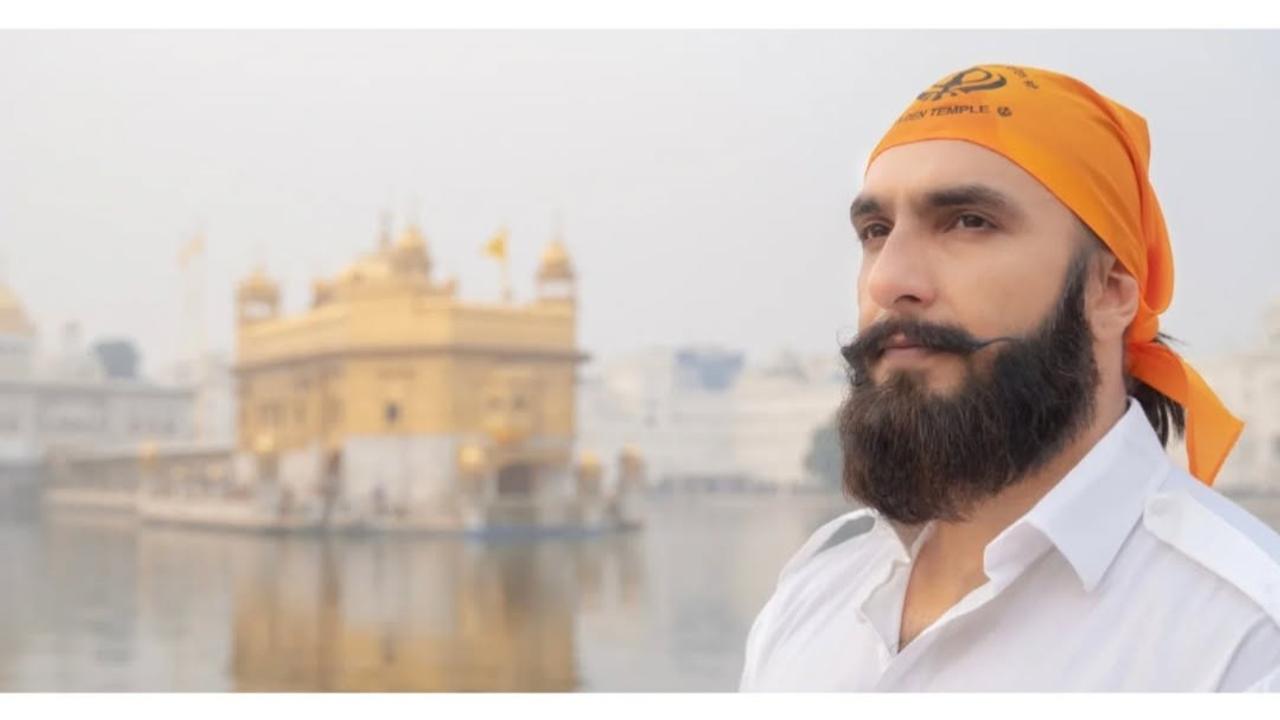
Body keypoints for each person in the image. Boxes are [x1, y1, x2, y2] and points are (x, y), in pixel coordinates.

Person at [738, 64, 1280, 692]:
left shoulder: (1244, 642)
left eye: (969, 221)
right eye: (876, 231)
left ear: (1108, 291)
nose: (888, 280)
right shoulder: (812, 598)